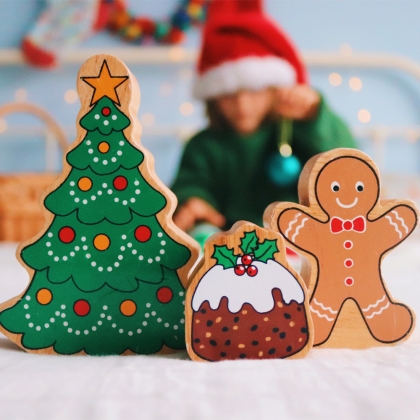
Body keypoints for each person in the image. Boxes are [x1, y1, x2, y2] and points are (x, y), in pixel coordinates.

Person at [172, 0, 357, 232]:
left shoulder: (296, 132)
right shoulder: (203, 146)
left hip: (298, 240)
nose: (242, 103)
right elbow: (189, 185)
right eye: (228, 94)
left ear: (274, 90)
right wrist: (193, 203)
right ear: (213, 98)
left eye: (254, 89)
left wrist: (313, 115)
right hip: (230, 248)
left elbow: (347, 162)